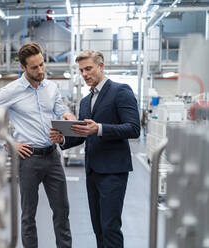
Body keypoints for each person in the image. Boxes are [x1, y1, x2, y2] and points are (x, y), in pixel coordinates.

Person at [49, 49, 140, 248]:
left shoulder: (121, 91)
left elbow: (133, 128)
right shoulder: (85, 101)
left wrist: (98, 128)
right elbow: (83, 135)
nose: (84, 74)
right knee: (98, 227)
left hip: (113, 171)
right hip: (92, 171)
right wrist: (62, 139)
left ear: (101, 65)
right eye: (81, 71)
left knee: (110, 228)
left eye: (88, 68)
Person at [0, 42, 74, 248]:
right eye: (34, 67)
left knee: (62, 211)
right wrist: (9, 143)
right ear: (23, 68)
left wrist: (67, 117)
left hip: (53, 157)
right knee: (28, 214)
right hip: (28, 158)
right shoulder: (10, 91)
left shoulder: (52, 87)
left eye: (42, 64)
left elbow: (60, 110)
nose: (40, 70)